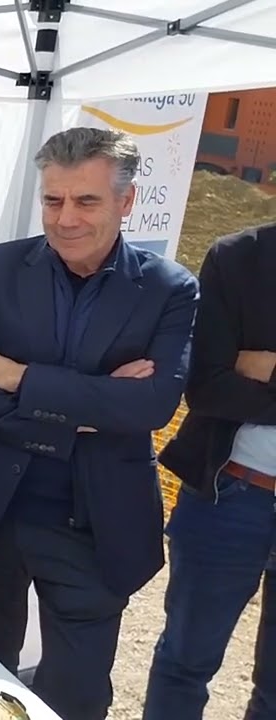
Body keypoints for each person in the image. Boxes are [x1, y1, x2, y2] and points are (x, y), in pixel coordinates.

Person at [0, 126, 198, 720]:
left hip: (95, 525)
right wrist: (88, 408)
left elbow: (150, 406)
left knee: (76, 695)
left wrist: (23, 378)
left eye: (86, 201)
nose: (66, 218)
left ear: (126, 203)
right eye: (53, 200)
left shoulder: (169, 290)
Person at [146, 221, 276, 719]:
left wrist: (266, 369)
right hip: (231, 496)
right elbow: (207, 388)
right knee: (185, 662)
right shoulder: (237, 258)